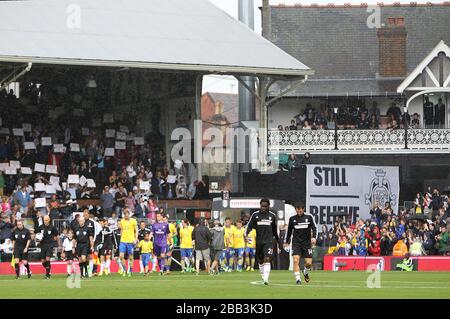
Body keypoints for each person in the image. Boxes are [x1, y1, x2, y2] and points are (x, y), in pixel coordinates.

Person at [245, 198, 279, 285]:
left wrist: (279, 241)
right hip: (259, 241)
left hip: (269, 241)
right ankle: (263, 277)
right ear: (260, 205)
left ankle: (266, 279)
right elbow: (249, 226)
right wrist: (246, 235)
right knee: (260, 260)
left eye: (265, 206)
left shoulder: (272, 216)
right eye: (262, 206)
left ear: (268, 206)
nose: (263, 208)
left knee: (267, 258)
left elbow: (275, 230)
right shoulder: (255, 215)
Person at [284, 204, 317, 284]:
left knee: (309, 263)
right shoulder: (292, 219)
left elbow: (314, 228)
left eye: (300, 210)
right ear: (295, 209)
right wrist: (286, 242)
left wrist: (314, 237)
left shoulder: (309, 217)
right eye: (297, 210)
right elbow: (289, 232)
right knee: (295, 260)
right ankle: (298, 279)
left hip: (307, 244)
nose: (299, 211)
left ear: (303, 209)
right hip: (296, 243)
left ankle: (305, 272)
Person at [118, 209, 138, 277]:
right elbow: (121, 230)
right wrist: (121, 238)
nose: (126, 216)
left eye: (127, 215)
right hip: (123, 241)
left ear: (129, 214)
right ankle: (124, 270)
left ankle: (130, 271)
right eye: (125, 215)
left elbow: (136, 230)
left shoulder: (133, 221)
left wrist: (135, 239)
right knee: (121, 256)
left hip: (130, 241)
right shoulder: (122, 221)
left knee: (131, 257)